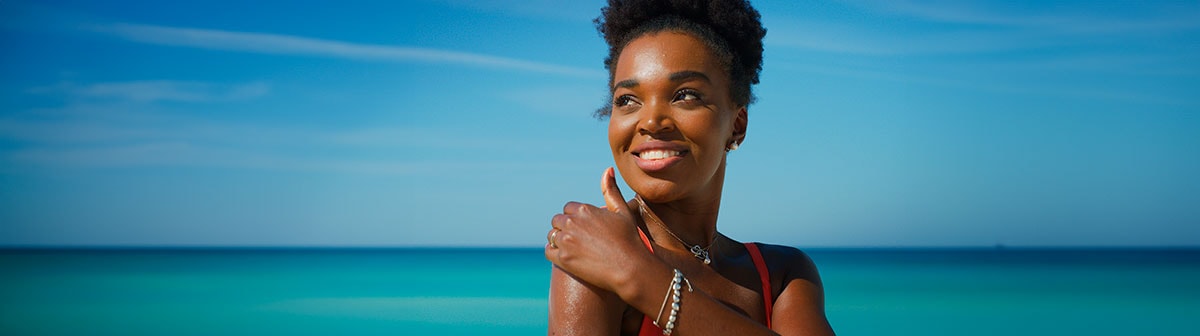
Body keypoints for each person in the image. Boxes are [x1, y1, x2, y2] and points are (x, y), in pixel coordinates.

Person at [544, 1, 835, 335]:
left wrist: (637, 273)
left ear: (736, 126)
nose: (651, 121)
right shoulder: (590, 254)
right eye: (627, 100)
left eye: (685, 95)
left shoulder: (783, 273)